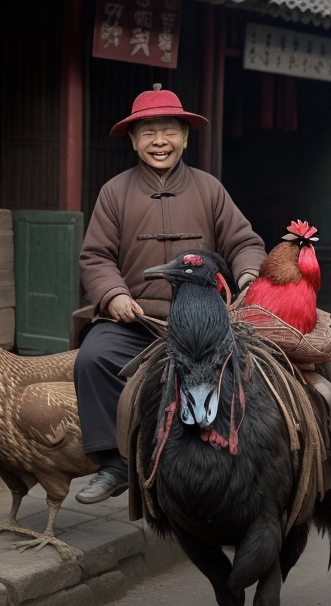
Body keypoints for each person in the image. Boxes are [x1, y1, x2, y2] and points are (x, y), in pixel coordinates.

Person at [74, 84, 267, 504]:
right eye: (148, 133)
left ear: (185, 136)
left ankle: (245, 462)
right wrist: (113, 295)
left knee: (258, 375)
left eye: (168, 132)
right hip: (138, 319)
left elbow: (244, 242)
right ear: (132, 140)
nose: (159, 142)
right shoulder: (114, 192)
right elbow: (95, 257)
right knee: (92, 358)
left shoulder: (209, 188)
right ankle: (115, 464)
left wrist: (249, 274)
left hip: (206, 324)